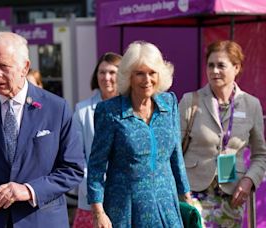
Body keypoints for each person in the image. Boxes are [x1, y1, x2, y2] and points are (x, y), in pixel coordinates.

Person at [0, 31, 84, 227]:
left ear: (25, 67)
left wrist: (29, 190)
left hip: (41, 220)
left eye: (4, 66)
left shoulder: (56, 109)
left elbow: (73, 168)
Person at [87, 41, 192, 227]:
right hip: (126, 211)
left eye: (152, 73)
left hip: (166, 207)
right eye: (140, 74)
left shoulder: (169, 103)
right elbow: (96, 166)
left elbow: (176, 155)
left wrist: (186, 195)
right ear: (128, 76)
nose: (147, 80)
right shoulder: (109, 111)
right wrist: (98, 212)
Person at [179, 40, 266, 227]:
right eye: (211, 65)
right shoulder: (189, 101)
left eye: (221, 65)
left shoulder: (252, 105)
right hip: (192, 193)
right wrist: (179, 188)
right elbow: (173, 151)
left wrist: (249, 180)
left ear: (236, 68)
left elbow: (261, 155)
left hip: (232, 196)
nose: (214, 71)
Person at [72, 52, 121, 228]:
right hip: (92, 201)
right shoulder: (82, 111)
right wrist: (96, 194)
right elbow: (77, 159)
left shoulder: (133, 108)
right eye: (102, 72)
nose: (106, 77)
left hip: (126, 199)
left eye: (112, 72)